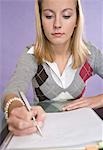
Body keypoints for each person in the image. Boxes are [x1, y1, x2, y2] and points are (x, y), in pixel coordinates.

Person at [2, 0, 103, 136]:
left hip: (80, 128)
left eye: (66, 16)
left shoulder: (90, 54)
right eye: (49, 16)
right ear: (40, 20)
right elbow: (12, 91)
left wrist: (99, 99)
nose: (57, 25)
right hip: (43, 130)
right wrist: (15, 109)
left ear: (77, 20)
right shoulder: (31, 55)